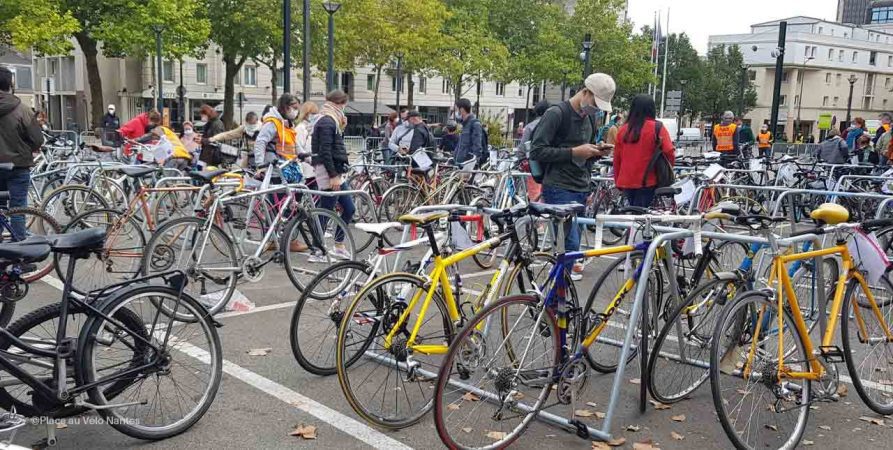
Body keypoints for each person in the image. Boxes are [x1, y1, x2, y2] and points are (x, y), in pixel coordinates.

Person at [530, 72, 615, 280]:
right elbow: (536, 151)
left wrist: (595, 152)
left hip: (579, 187)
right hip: (558, 187)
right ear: (585, 93)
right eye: (595, 103)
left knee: (569, 248)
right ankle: (553, 301)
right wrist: (574, 152)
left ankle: (557, 297)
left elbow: (582, 153)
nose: (595, 110)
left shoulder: (590, 119)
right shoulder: (556, 114)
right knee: (570, 245)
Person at [0, 66, 43, 239]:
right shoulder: (22, 109)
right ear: (10, 84)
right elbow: (37, 139)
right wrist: (28, 149)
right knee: (18, 208)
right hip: (18, 166)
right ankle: (19, 251)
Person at [312, 90, 354, 261]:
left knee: (349, 208)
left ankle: (338, 244)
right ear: (340, 103)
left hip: (333, 170)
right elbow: (326, 150)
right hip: (329, 171)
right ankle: (317, 249)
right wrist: (333, 175)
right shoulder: (328, 121)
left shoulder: (330, 119)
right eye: (344, 104)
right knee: (326, 209)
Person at [613, 95, 675, 208]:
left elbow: (617, 158)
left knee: (631, 212)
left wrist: (618, 181)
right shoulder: (657, 127)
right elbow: (669, 151)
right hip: (648, 180)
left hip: (626, 181)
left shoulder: (622, 130)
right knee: (642, 217)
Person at [254, 94, 300, 168]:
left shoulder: (288, 124)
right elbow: (260, 142)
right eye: (294, 108)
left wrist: (307, 157)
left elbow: (294, 144)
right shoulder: (272, 123)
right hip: (274, 167)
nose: (296, 111)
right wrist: (260, 165)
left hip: (286, 165)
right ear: (285, 107)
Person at [520, 100, 551, 201]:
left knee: (534, 198)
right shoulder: (553, 125)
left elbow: (522, 148)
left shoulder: (530, 127)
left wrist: (521, 158)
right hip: (551, 168)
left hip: (535, 167)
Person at [453, 98, 484, 164]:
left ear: (462, 110)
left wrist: (472, 164)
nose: (455, 113)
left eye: (456, 110)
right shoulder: (464, 125)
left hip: (466, 165)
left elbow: (477, 147)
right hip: (459, 163)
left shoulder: (475, 124)